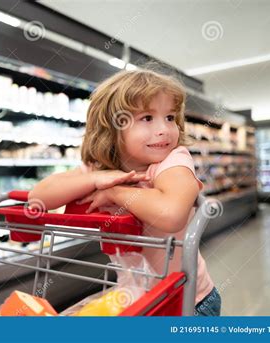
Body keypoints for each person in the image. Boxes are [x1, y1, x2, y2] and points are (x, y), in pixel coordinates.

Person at [28, 69, 221, 316]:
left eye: (170, 117)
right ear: (111, 126)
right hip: (137, 297)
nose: (164, 129)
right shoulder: (100, 169)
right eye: (147, 118)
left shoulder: (172, 162)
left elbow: (171, 214)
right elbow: (38, 198)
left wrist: (114, 193)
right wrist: (96, 178)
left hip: (187, 302)